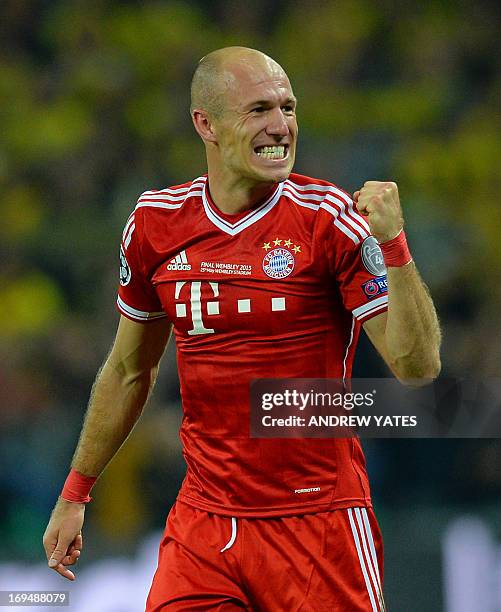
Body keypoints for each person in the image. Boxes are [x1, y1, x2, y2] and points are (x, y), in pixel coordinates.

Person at [43, 46, 441, 611]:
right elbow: (130, 369)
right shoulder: (155, 223)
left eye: (288, 107)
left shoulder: (328, 219)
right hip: (206, 523)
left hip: (317, 521)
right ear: (206, 124)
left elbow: (417, 365)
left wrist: (394, 246)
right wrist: (75, 492)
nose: (280, 125)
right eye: (258, 109)